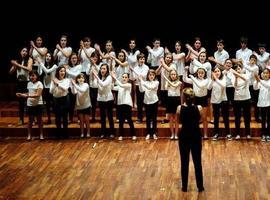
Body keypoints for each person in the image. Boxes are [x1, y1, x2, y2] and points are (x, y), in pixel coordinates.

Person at [177, 87, 204, 192]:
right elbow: (200, 119)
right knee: (197, 162)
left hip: (184, 136)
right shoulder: (199, 108)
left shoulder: (179, 108)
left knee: (184, 162)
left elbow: (179, 121)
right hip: (196, 135)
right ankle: (200, 186)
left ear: (183, 97)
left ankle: (184, 187)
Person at [16, 70, 44, 140]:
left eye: (33, 75)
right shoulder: (29, 84)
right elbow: (29, 93)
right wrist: (21, 94)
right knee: (30, 120)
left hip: (38, 104)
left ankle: (41, 134)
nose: (32, 77)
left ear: (36, 76)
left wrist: (27, 96)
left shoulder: (40, 83)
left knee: (39, 120)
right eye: (30, 76)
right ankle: (29, 135)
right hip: (30, 104)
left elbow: (37, 94)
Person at [71, 73, 91, 138]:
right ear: (77, 79)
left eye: (82, 78)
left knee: (87, 120)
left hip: (86, 105)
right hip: (79, 105)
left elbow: (82, 90)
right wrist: (73, 85)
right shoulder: (76, 85)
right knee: (81, 121)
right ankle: (82, 133)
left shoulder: (86, 85)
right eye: (79, 78)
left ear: (84, 79)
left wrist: (74, 84)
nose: (81, 79)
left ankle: (88, 132)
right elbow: (74, 92)